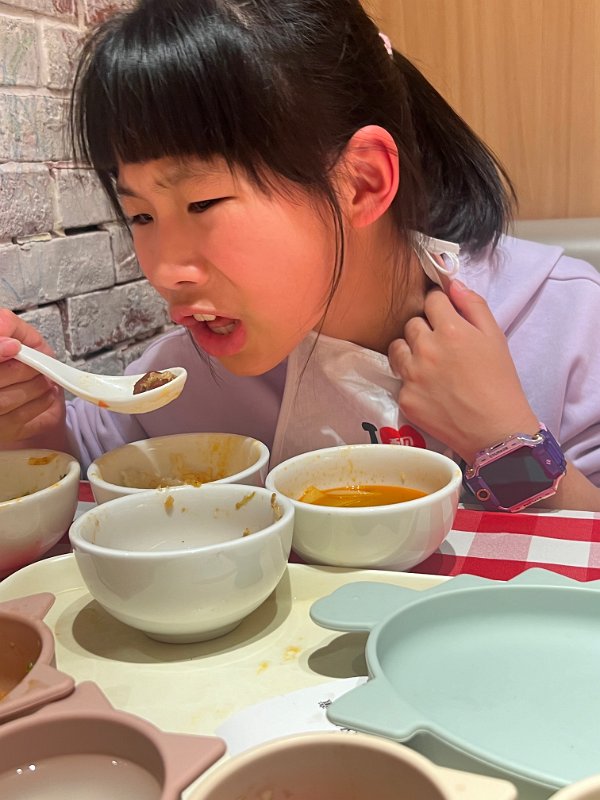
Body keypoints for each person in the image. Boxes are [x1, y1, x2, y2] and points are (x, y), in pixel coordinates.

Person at [0, 0, 599, 511]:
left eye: (202, 203)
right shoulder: (186, 380)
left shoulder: (564, 324)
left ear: (362, 182)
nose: (162, 272)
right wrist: (32, 428)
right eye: (141, 216)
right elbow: (84, 485)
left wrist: (505, 441)